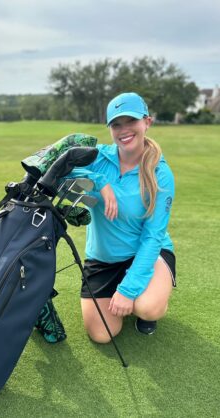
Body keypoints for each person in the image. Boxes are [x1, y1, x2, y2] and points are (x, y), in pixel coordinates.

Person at [70, 92, 176, 341]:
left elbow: (152, 237)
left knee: (146, 306)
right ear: (110, 128)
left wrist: (128, 291)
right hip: (103, 258)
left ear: (146, 122)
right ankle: (126, 293)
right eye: (117, 124)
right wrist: (100, 181)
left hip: (146, 252)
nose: (124, 130)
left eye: (131, 121)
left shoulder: (160, 173)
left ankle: (146, 306)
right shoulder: (98, 157)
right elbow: (56, 166)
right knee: (102, 335)